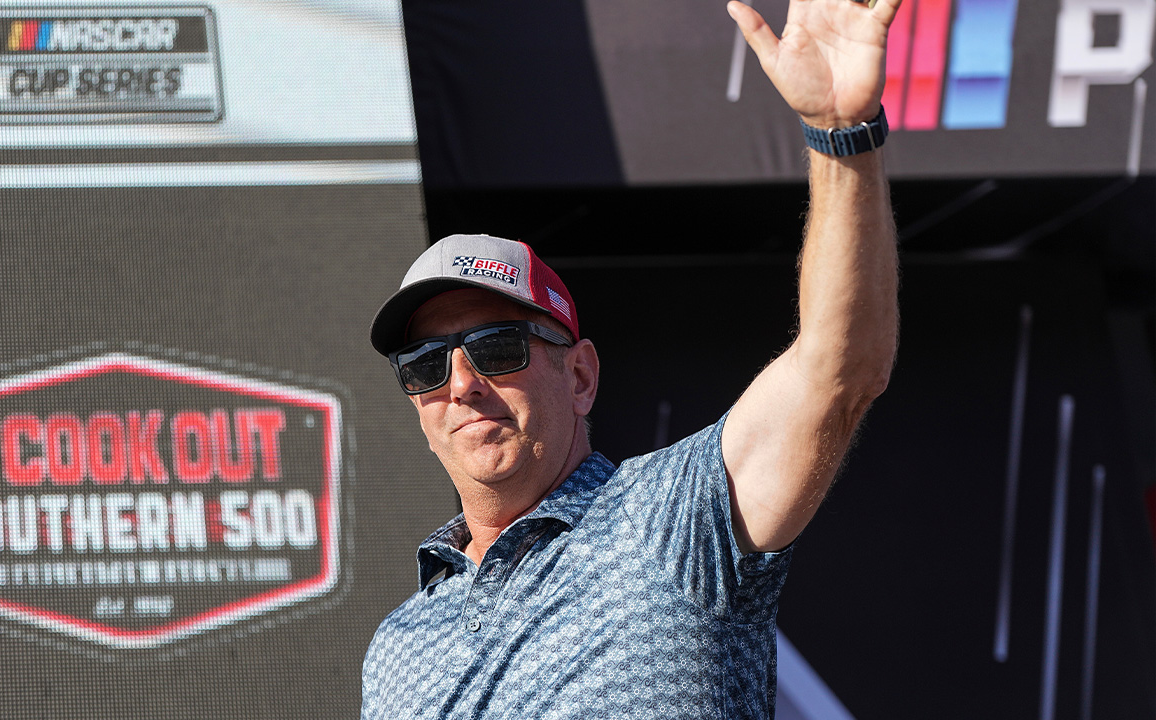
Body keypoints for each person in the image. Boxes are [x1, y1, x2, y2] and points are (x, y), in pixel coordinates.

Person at [361, 0, 900, 716]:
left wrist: (841, 139)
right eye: (426, 366)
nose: (461, 384)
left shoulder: (670, 519)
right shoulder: (399, 643)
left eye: (497, 348)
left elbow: (840, 370)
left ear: (579, 374)